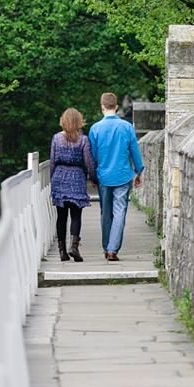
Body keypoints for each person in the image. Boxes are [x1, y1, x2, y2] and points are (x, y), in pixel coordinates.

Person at [88, 92, 144, 262]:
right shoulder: (126, 127)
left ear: (102, 107)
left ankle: (107, 247)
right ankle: (113, 249)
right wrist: (138, 171)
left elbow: (92, 156)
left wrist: (93, 176)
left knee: (105, 212)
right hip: (123, 175)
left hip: (104, 176)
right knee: (120, 212)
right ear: (117, 107)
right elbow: (134, 151)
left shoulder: (95, 129)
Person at [50, 108, 96, 262]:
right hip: (76, 177)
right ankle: (74, 247)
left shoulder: (56, 138)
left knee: (61, 216)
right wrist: (93, 177)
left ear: (63, 120)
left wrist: (52, 179)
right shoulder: (83, 140)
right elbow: (88, 161)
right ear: (79, 122)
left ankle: (62, 251)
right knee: (76, 215)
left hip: (60, 176)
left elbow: (52, 161)